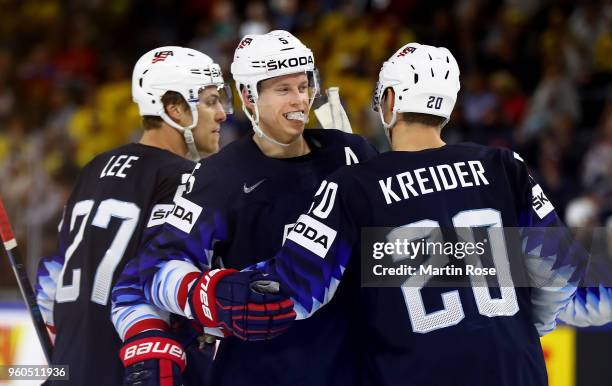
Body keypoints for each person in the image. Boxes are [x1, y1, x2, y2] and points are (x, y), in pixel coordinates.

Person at [222, 42, 595, 385]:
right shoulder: (502, 165)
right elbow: (561, 270)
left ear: (389, 99)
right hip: (516, 370)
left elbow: (291, 289)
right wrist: (535, 325)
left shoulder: (353, 185)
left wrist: (211, 292)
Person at [111, 30, 378, 386]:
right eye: (283, 90)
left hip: (349, 368)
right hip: (258, 372)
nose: (300, 100)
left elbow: (388, 249)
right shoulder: (217, 177)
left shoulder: (351, 152)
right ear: (249, 97)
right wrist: (211, 295)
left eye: (304, 86)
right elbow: (154, 269)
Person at [35, 46, 232, 386]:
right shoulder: (188, 178)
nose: (222, 114)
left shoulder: (93, 169)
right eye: (211, 101)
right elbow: (174, 287)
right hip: (138, 371)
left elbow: (50, 285)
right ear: (174, 109)